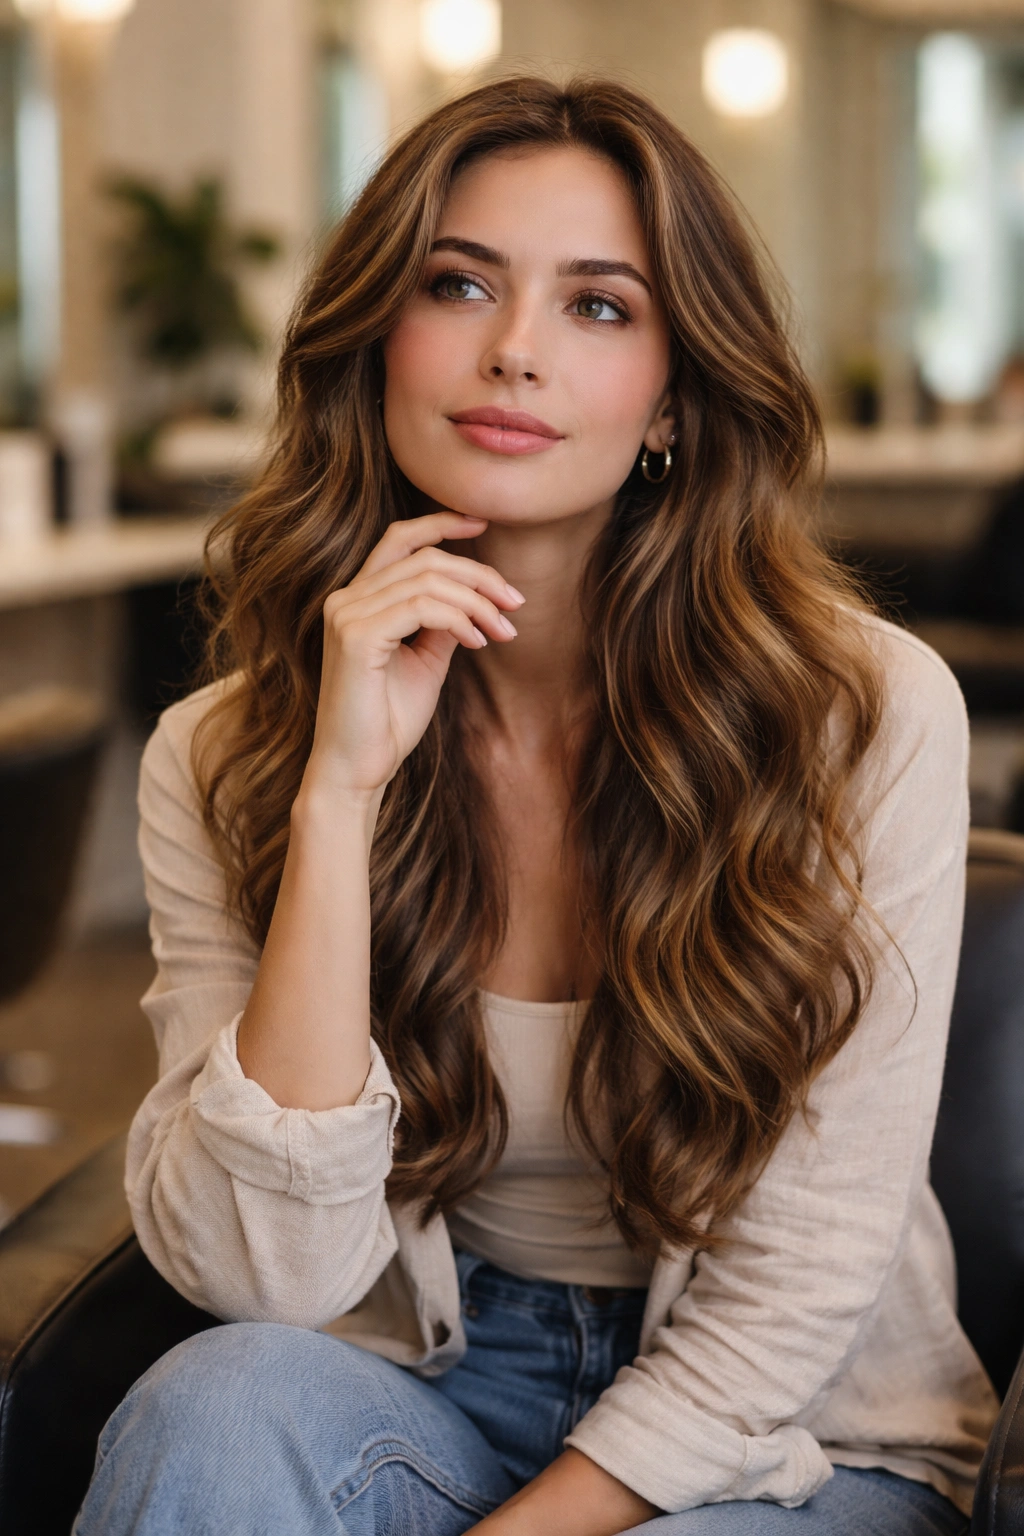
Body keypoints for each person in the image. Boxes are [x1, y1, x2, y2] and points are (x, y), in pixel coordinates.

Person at [75, 77, 996, 1536]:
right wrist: (338, 794)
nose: (513, 353)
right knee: (215, 1408)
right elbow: (265, 1282)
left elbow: (801, 1279)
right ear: (378, 338)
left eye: (599, 307)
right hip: (435, 1379)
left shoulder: (863, 716)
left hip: (797, 1429)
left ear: (675, 399)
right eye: (460, 285)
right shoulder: (226, 751)